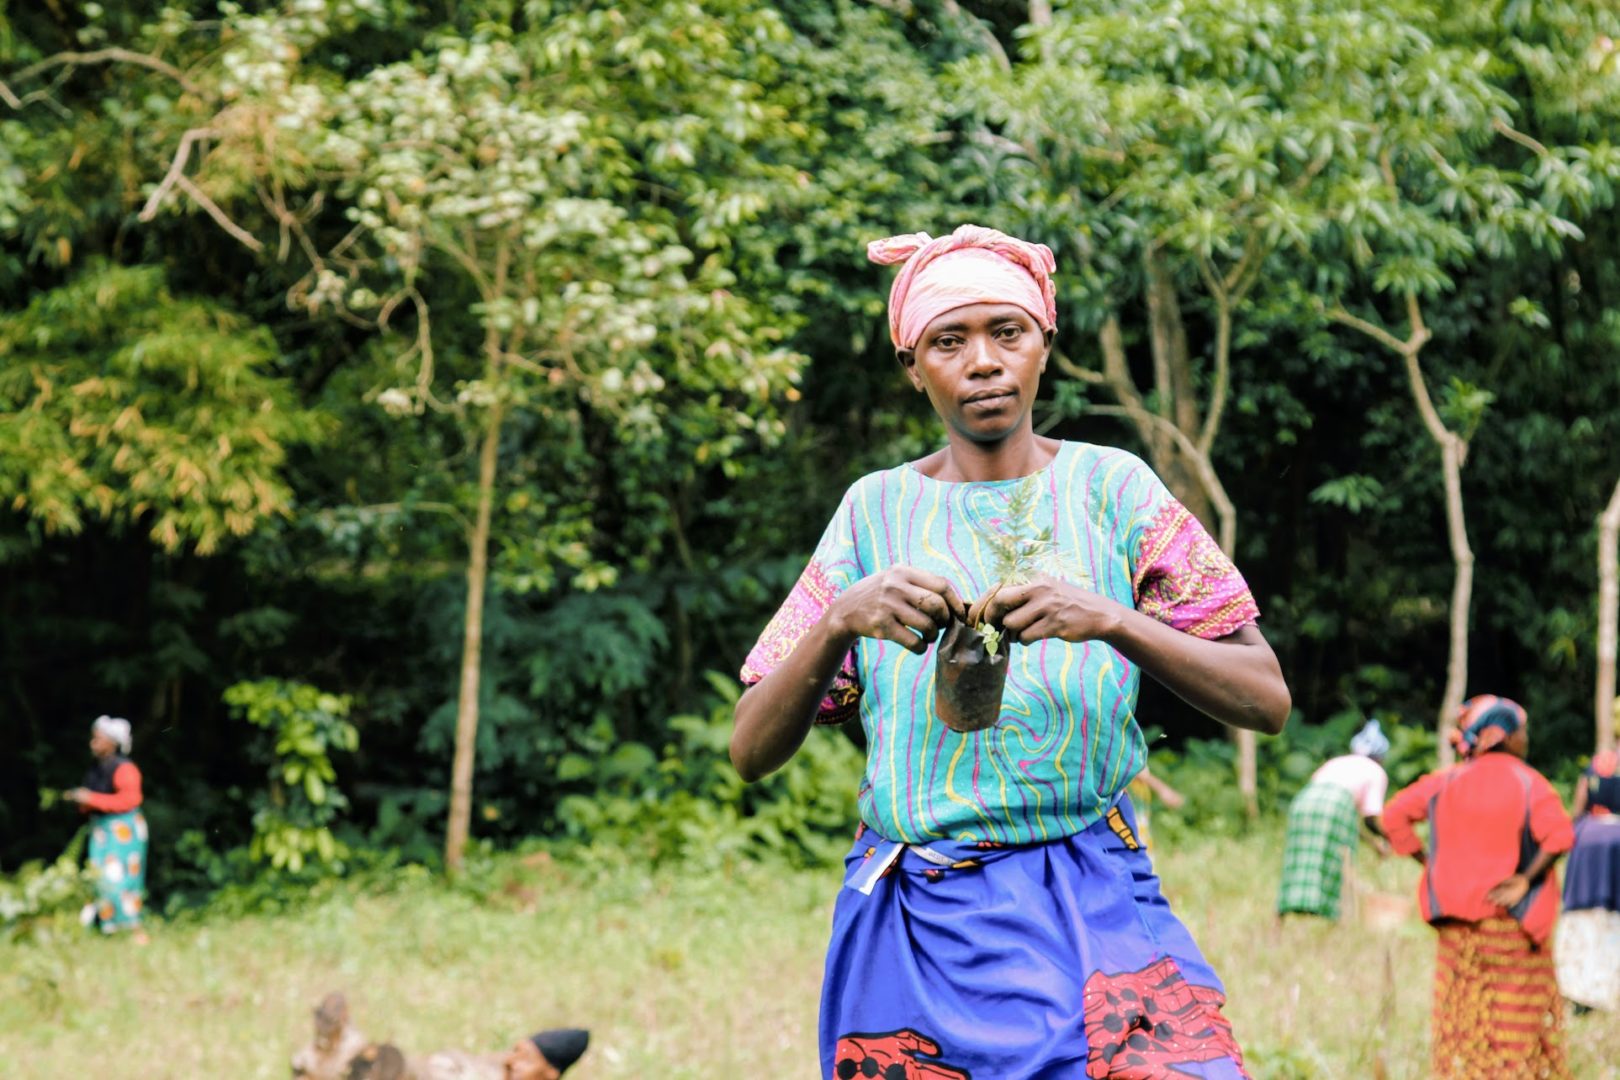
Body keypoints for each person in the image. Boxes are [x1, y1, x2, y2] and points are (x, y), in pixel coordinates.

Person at [731, 224, 1290, 1078]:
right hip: (919, 918)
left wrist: (1111, 619)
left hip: (1090, 888)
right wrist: (841, 619)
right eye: (949, 341)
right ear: (914, 367)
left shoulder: (1112, 490)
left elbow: (1266, 699)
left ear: (1044, 346)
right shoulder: (873, 513)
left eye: (1008, 332)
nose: (983, 361)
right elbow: (749, 750)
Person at [1382, 695, 1574, 1080]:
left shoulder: (1445, 781)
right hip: (1510, 929)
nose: (1526, 739)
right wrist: (1526, 879)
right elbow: (1560, 835)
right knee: (1514, 1019)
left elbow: (1394, 816)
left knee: (1461, 1014)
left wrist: (1427, 863)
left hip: (1456, 933)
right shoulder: (1528, 782)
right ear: (1501, 734)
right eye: (1522, 731)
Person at [1275, 719, 1392, 921]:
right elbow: (1371, 818)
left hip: (1303, 803)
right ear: (1380, 757)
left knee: (1298, 861)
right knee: (1338, 863)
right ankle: (1336, 919)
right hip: (1335, 804)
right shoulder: (1375, 771)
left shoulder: (1337, 762)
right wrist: (1387, 838)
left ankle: (1280, 920)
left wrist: (1373, 844)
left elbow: (1351, 826)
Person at [64, 715, 149, 943]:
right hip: (101, 831)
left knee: (120, 880)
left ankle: (134, 929)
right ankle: (108, 929)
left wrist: (90, 799)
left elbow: (130, 800)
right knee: (99, 878)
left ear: (112, 742)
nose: (93, 743)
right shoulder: (97, 768)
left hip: (123, 832)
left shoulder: (124, 768)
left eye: (99, 739)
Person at [1556, 747, 1620, 1011]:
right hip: (1616, 845)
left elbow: (1579, 806)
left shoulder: (1598, 762)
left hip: (1588, 844)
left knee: (1583, 917)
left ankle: (1580, 993)